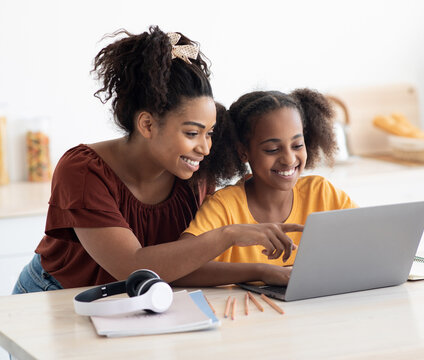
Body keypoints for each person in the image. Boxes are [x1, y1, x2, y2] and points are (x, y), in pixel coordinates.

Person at [12, 26, 301, 294]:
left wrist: (264, 271)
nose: (205, 147)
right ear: (148, 125)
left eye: (209, 133)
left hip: (130, 302)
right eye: (192, 132)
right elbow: (131, 266)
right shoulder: (83, 171)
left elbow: (180, 267)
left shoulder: (193, 172)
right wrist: (229, 235)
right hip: (55, 297)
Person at [181, 89, 358, 287]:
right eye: (272, 150)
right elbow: (180, 268)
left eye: (297, 145)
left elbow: (369, 241)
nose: (289, 159)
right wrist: (260, 271)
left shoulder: (322, 193)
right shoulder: (224, 206)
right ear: (243, 152)